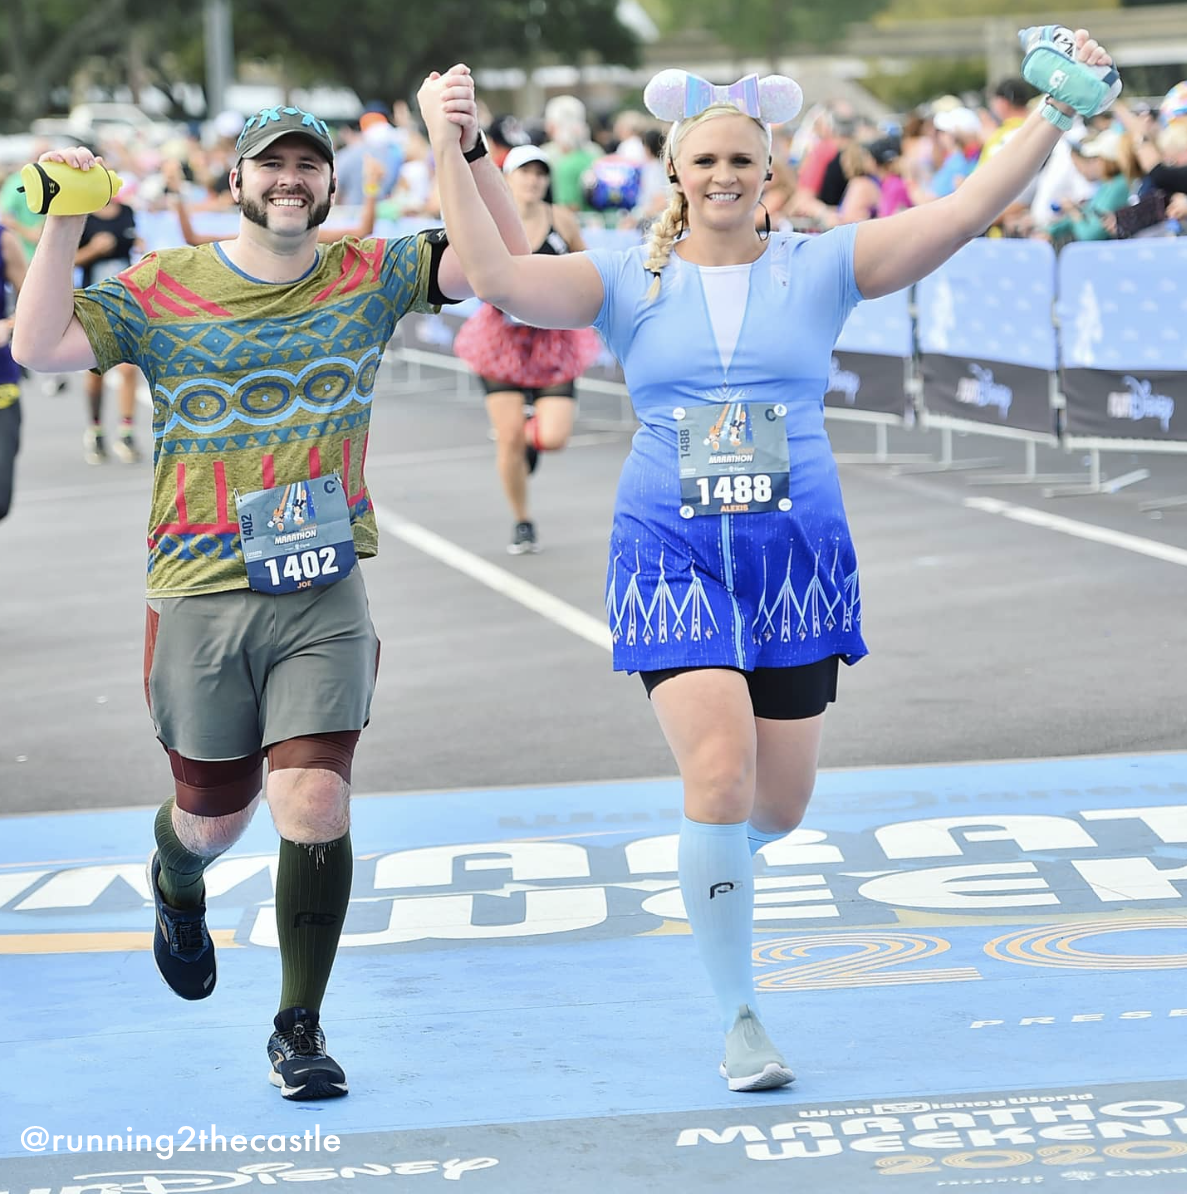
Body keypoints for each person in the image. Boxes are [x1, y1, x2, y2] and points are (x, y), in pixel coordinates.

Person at [417, 32, 1116, 1091]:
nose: (722, 176)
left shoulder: (824, 267)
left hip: (796, 557)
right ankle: (739, 1016)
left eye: (741, 159)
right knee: (718, 773)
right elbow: (500, 276)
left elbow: (964, 210)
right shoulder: (622, 277)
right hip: (666, 552)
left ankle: (713, 874)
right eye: (703, 161)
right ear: (675, 176)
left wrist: (1055, 115)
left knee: (775, 810)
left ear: (770, 174)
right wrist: (452, 146)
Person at [12, 78, 529, 1101]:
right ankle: (175, 880)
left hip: (323, 589)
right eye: (271, 164)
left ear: (330, 183)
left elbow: (491, 268)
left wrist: (461, 148)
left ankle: (299, 1025)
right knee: (214, 817)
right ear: (234, 180)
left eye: (308, 164)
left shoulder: (369, 273)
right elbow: (37, 347)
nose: (290, 180)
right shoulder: (164, 285)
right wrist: (61, 226)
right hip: (198, 590)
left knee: (314, 799)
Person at [451, 144, 601, 554]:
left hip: (553, 339)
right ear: (507, 179)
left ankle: (531, 440)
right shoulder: (492, 221)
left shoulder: (562, 220)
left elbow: (589, 266)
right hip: (502, 340)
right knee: (508, 438)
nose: (533, 180)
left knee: (553, 436)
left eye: (540, 173)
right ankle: (522, 520)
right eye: (524, 173)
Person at [74, 191, 144, 463]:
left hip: (125, 301)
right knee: (95, 370)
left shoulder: (126, 211)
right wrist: (93, 250)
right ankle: (96, 430)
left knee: (128, 368)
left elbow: (135, 244)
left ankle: (126, 433)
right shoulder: (84, 216)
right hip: (93, 302)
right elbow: (68, 258)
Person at [0, 225, 27, 522]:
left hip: (2, 387)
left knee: (0, 500)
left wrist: (9, 325)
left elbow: (35, 300)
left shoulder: (4, 239)